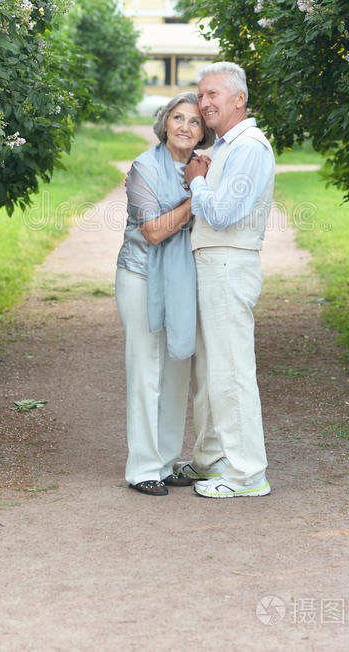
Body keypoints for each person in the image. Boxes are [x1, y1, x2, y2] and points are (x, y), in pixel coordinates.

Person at [175, 62, 275, 498]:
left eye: (213, 94)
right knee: (211, 369)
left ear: (240, 99)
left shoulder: (250, 146)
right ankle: (211, 458)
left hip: (230, 263)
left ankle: (247, 474)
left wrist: (197, 182)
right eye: (201, 95)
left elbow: (221, 213)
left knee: (231, 370)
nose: (204, 102)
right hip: (214, 263)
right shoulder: (227, 147)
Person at [115, 92, 214, 496]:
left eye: (194, 121)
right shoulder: (144, 168)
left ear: (203, 131)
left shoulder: (203, 170)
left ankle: (167, 461)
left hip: (182, 280)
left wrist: (202, 183)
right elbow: (154, 231)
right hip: (140, 275)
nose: (185, 127)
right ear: (165, 123)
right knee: (144, 369)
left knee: (177, 368)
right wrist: (195, 197)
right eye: (178, 118)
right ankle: (141, 468)